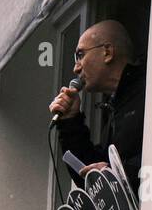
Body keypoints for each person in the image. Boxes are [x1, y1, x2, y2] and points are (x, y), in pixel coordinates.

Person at [48, 19, 146, 189]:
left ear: (107, 52)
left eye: (80, 55)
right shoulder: (116, 107)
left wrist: (120, 176)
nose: (76, 68)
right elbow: (93, 183)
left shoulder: (151, 89)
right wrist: (70, 121)